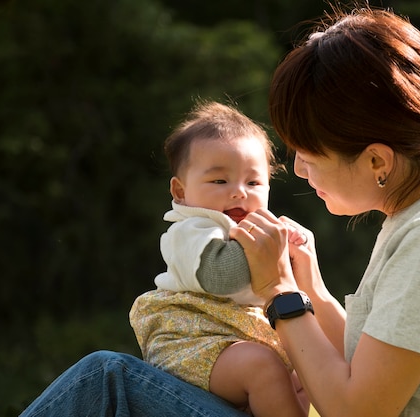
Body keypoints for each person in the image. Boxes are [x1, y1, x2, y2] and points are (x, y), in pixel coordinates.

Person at [20, 6, 420, 417]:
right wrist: (310, 290)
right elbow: (368, 366)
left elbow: (359, 410)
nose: (297, 169)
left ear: (377, 160)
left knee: (107, 380)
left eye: (308, 154)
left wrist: (280, 293)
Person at [128, 100, 309, 417]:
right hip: (194, 343)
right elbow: (221, 276)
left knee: (313, 373)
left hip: (240, 344)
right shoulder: (192, 228)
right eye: (219, 181)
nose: (239, 192)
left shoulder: (253, 230)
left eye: (253, 182)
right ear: (180, 191)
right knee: (262, 367)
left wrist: (295, 251)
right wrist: (272, 248)